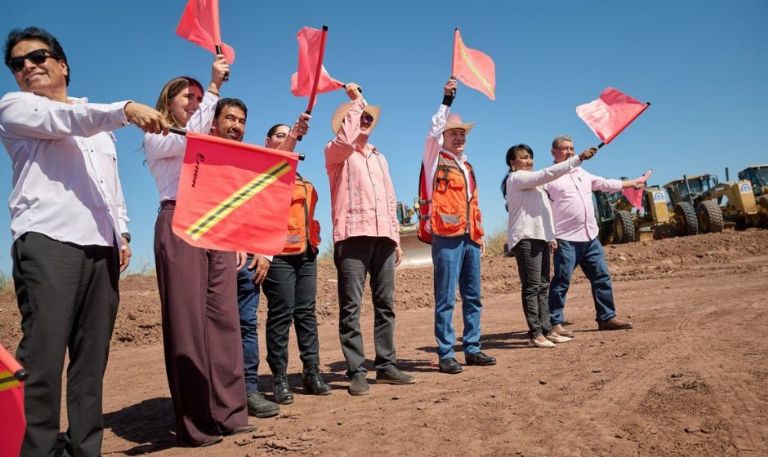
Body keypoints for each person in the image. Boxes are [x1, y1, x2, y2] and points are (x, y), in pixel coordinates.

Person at [0, 26, 167, 456]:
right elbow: (63, 121)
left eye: (37, 57)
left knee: (91, 362)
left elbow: (109, 184)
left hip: (101, 248)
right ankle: (35, 450)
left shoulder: (96, 121)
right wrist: (126, 108)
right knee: (43, 359)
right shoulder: (16, 107)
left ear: (62, 65)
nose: (28, 67)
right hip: (48, 241)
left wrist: (122, 231)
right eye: (18, 64)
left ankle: (84, 449)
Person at [144, 60, 254, 447]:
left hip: (216, 227)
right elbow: (187, 135)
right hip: (179, 222)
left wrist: (237, 237)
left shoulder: (208, 140)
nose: (194, 103)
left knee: (225, 321)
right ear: (168, 103)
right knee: (187, 324)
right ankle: (195, 423)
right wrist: (212, 86)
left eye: (197, 98)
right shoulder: (157, 134)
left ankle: (230, 412)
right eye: (187, 97)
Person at [325, 82, 415, 396]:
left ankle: (387, 366)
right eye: (359, 117)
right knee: (351, 306)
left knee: (385, 304)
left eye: (367, 117)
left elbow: (390, 199)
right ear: (346, 123)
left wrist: (397, 239)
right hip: (352, 237)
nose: (365, 121)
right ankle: (356, 371)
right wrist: (356, 101)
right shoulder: (336, 153)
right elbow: (345, 138)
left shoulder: (380, 157)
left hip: (384, 239)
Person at [421, 78, 496, 374]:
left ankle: (473, 348)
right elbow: (432, 130)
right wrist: (446, 100)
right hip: (447, 236)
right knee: (445, 298)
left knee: (473, 296)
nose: (459, 137)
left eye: (462, 133)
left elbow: (473, 203)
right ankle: (446, 353)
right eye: (453, 133)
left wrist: (481, 235)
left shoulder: (468, 165)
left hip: (470, 237)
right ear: (443, 136)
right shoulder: (434, 158)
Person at [258, 117, 332, 404]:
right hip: (277, 258)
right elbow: (280, 162)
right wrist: (295, 135)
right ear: (268, 142)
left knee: (306, 315)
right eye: (279, 135)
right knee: (280, 315)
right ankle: (279, 378)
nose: (284, 139)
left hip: (305, 256)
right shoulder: (266, 174)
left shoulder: (304, 182)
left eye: (287, 136)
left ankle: (311, 373)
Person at [545, 135, 644, 334]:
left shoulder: (582, 173)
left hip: (590, 237)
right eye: (565, 148)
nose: (570, 151)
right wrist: (550, 236)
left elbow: (605, 183)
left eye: (572, 148)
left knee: (602, 278)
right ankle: (554, 322)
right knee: (561, 281)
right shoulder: (549, 177)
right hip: (566, 239)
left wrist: (632, 183)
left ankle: (606, 318)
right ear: (554, 153)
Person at [505, 144, 596, 348]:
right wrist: (577, 158)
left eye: (530, 157)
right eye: (523, 157)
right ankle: (535, 333)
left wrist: (551, 237)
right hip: (526, 239)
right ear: (513, 163)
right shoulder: (517, 178)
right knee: (532, 287)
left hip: (541, 238)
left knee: (544, 286)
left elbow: (545, 211)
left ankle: (547, 330)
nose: (528, 161)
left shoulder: (536, 185)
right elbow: (547, 173)